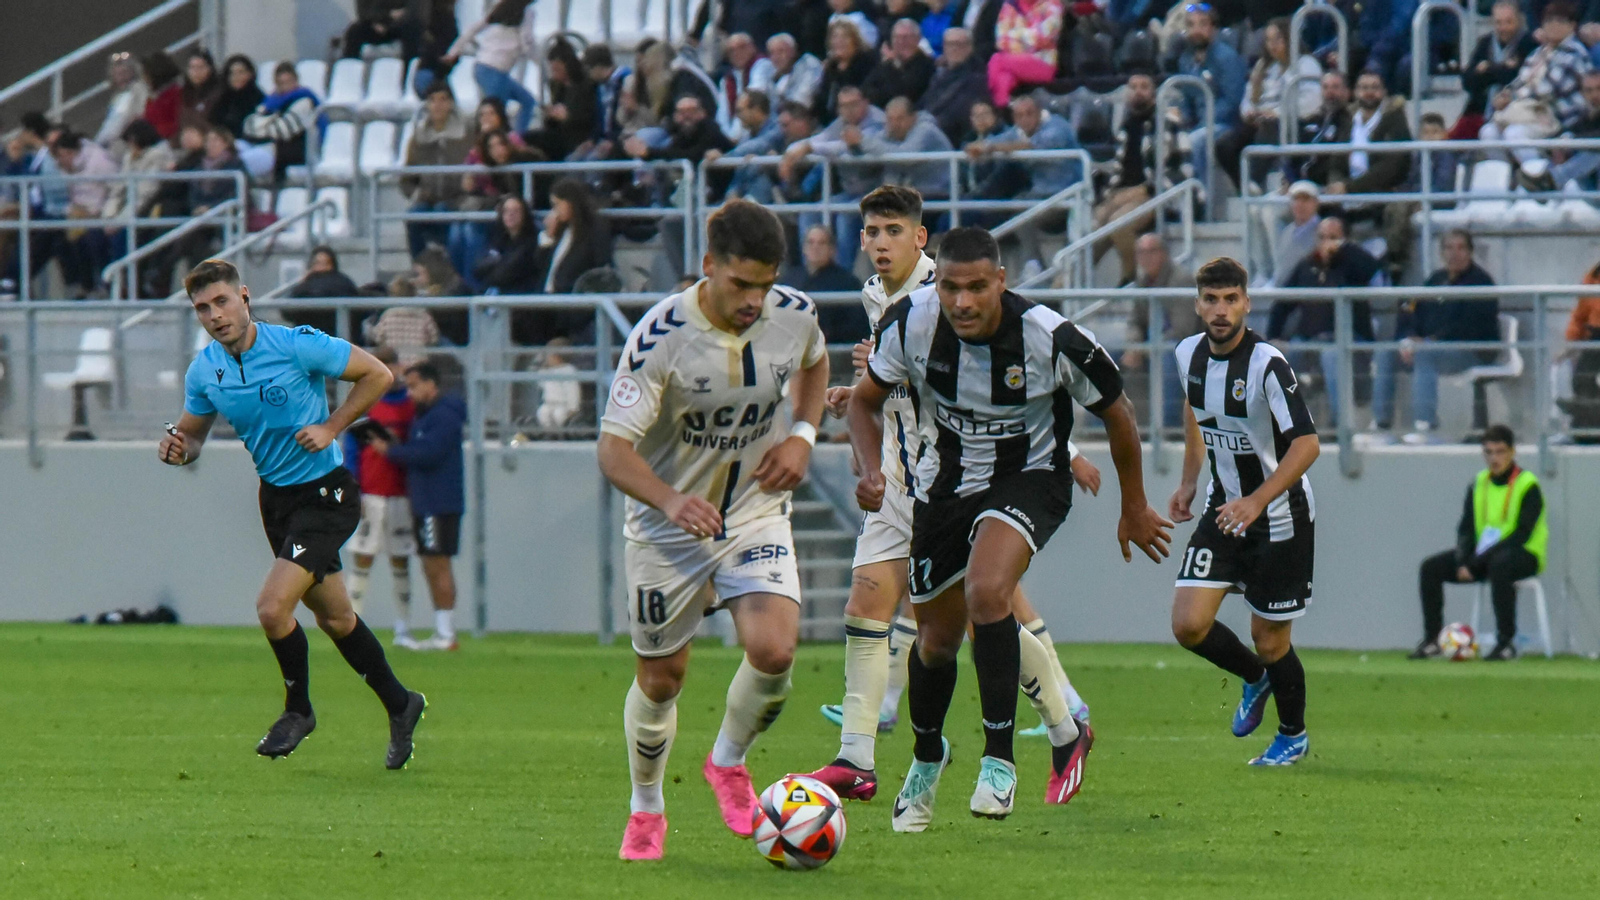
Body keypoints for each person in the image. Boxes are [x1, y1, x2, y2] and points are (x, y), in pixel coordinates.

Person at [854, 225, 1167, 828]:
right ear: (936, 284)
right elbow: (865, 401)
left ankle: (999, 761)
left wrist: (1134, 506)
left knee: (988, 591)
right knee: (935, 641)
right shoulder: (909, 323)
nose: (963, 301)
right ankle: (927, 757)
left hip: (1031, 478)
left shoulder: (1049, 337)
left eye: (977, 287)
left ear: (1001, 281)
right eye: (950, 287)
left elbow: (1119, 412)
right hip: (945, 486)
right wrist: (870, 469)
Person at [806, 189, 1097, 806]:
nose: (879, 243)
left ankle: (1064, 720)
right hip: (896, 474)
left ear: (921, 239)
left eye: (893, 231)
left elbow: (1007, 392)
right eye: (871, 232)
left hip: (955, 480)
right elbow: (894, 385)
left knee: (981, 611)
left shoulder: (951, 291)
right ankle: (856, 758)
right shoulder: (877, 297)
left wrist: (1069, 455)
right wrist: (856, 400)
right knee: (871, 604)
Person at [602, 200, 829, 861]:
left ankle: (727, 761)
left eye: (766, 284)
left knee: (775, 651)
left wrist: (803, 435)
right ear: (709, 266)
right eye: (741, 284)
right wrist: (670, 500)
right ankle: (646, 806)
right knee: (661, 681)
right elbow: (613, 451)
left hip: (753, 512)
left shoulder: (795, 314)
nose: (755, 300)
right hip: (666, 530)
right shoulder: (660, 337)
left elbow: (816, 362)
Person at [158, 259, 425, 767]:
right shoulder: (205, 370)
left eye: (222, 302)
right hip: (276, 501)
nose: (215, 316)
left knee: (272, 608)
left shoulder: (296, 344)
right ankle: (401, 703)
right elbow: (192, 436)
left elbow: (378, 374)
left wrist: (332, 427)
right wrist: (178, 449)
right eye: (203, 308)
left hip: (326, 495)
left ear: (244, 296)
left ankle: (298, 710)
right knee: (337, 618)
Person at [1168, 256, 1320, 767]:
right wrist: (1190, 480)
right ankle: (1256, 678)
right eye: (1211, 299)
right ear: (1198, 304)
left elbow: (1307, 444)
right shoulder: (1187, 354)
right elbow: (1196, 410)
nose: (1221, 309)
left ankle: (1292, 735)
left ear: (1246, 304)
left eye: (1230, 299)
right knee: (1188, 624)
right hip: (1225, 507)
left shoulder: (1267, 364)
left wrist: (1258, 500)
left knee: (1269, 638)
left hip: (1280, 514)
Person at [1409, 425, 1545, 661]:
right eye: (1488, 452)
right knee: (1430, 568)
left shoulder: (1528, 485)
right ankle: (1433, 640)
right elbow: (1466, 528)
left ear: (1512, 452)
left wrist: (1477, 562)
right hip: (1482, 556)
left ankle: (1506, 643)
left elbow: (1521, 534)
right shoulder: (1479, 483)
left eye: (1500, 452)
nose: (1494, 459)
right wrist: (1463, 561)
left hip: (1523, 554)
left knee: (1500, 565)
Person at [369, 360, 467, 651]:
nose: (409, 393)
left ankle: (446, 633)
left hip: (438, 502)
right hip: (427, 501)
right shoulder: (426, 416)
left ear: (430, 384)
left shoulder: (444, 415)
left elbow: (429, 453)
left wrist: (392, 451)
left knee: (438, 563)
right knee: (431, 563)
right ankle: (443, 631)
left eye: (413, 386)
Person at [1372, 231, 1500, 443]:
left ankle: (1425, 426)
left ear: (1470, 252)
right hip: (1432, 348)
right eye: (1448, 248)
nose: (1454, 253)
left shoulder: (1481, 282)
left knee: (1425, 355)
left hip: (1472, 350)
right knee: (1386, 353)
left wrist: (1428, 342)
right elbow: (1410, 309)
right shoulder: (1435, 280)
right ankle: (1380, 426)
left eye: (1461, 248)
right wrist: (1408, 338)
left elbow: (1468, 327)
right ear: (1441, 253)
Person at [341, 346, 417, 642]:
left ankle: (403, 628)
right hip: (370, 493)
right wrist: (354, 487)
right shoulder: (366, 401)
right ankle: (350, 627)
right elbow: (351, 449)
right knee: (363, 556)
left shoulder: (410, 405)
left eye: (390, 365)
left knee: (401, 558)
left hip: (401, 494)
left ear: (398, 367)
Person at [1273, 216, 1380, 426]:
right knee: (1279, 356)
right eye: (1322, 237)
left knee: (1332, 356)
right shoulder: (1307, 265)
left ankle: (1339, 426)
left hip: (1348, 341)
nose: (1327, 243)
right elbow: (1282, 303)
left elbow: (1372, 269)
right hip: (1309, 340)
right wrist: (1274, 336)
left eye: (1333, 237)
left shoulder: (1352, 264)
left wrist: (1345, 249)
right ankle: (1285, 425)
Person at [1093, 71, 1189, 285]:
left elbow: (1181, 168)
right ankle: (1062, 287)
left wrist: (1145, 190)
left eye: (1144, 87)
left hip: (1154, 194)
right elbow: (1117, 170)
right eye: (1133, 87)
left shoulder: (1168, 121)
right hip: (1121, 193)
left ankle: (1132, 279)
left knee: (1118, 224)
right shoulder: (1125, 126)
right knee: (1091, 229)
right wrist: (1109, 196)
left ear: (1154, 93)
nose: (1138, 92)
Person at [1215, 17, 1321, 191]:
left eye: (1278, 39)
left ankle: (1254, 180)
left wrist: (1277, 113)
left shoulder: (1307, 64)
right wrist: (1250, 112)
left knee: (1268, 125)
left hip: (1294, 124)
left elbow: (1312, 102)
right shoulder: (1263, 67)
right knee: (1224, 145)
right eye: (1268, 40)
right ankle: (1244, 188)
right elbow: (1248, 98)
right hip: (1260, 121)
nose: (1272, 45)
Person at [1121, 233, 1200, 429]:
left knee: (1167, 354)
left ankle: (1167, 428)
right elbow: (1135, 321)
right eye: (1141, 253)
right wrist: (1134, 346)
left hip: (1188, 346)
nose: (1146, 257)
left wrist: (1147, 349)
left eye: (1151, 252)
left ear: (1164, 254)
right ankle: (1105, 427)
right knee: (1106, 358)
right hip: (1151, 344)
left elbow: (1182, 329)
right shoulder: (1142, 282)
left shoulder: (1181, 279)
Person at [1176, 4, 1246, 198]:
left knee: (1197, 140)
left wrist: (1202, 123)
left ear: (1213, 28)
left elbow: (1232, 100)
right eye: (1191, 25)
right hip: (1198, 124)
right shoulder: (1185, 60)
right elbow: (1187, 97)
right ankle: (1179, 198)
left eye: (1202, 24)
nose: (1196, 30)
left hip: (1226, 124)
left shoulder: (1227, 57)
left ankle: (1205, 199)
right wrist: (1182, 117)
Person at [400, 85, 476, 260]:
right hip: (427, 200)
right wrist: (417, 193)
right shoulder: (418, 137)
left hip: (458, 199)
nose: (438, 105)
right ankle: (420, 265)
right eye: (432, 100)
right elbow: (407, 178)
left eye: (443, 99)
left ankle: (450, 264)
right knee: (414, 217)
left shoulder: (467, 133)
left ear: (451, 103)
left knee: (443, 212)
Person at [1325, 71, 1412, 214]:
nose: (1369, 92)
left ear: (1384, 92)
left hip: (1383, 194)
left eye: (1374, 87)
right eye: (1364, 88)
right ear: (1355, 92)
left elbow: (1391, 166)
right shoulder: (1347, 118)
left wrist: (1349, 187)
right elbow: (1336, 161)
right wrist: (1336, 185)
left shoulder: (1395, 118)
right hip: (1346, 193)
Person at [445, 0, 538, 132]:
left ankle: (512, 138)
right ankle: (514, 138)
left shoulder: (499, 9)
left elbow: (473, 29)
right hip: (497, 70)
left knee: (523, 101)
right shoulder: (527, 13)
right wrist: (537, 61)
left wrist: (454, 51)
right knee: (498, 114)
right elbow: (526, 42)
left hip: (482, 67)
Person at [1455, 1, 1537, 139]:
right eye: (1499, 23)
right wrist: (1501, 68)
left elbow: (1515, 77)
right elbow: (1468, 81)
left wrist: (1487, 69)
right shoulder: (1485, 42)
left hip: (1516, 109)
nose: (1503, 28)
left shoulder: (1529, 43)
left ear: (1519, 20)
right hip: (1481, 110)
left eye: (1508, 22)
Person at [241, 62, 323, 183]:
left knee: (241, 162)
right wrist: (270, 123)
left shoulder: (304, 101)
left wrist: (263, 125)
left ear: (296, 81)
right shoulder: (270, 102)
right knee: (236, 147)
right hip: (266, 145)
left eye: (288, 82)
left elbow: (283, 130)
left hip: (291, 150)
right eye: (280, 83)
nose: (285, 87)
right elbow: (248, 126)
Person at [787, 224, 866, 343]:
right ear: (803, 248)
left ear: (832, 250)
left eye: (822, 243)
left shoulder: (848, 283)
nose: (815, 247)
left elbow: (856, 327)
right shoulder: (790, 279)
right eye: (810, 242)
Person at [860, 98, 954, 196]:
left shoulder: (926, 130)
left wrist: (863, 141)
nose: (895, 124)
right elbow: (872, 144)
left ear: (913, 118)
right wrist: (856, 145)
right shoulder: (889, 133)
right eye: (890, 119)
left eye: (900, 119)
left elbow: (906, 157)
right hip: (907, 195)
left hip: (939, 193)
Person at [523, 39, 596, 161]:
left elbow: (588, 117)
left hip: (576, 137)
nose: (554, 73)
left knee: (537, 139)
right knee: (531, 138)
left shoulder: (585, 86)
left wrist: (568, 117)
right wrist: (551, 114)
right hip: (559, 134)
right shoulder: (557, 86)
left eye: (556, 69)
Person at [984, 0, 1066, 106]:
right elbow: (1001, 40)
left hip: (1043, 63)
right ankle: (1002, 107)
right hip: (1014, 63)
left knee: (997, 60)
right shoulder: (1010, 4)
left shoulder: (1053, 4)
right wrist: (1028, 41)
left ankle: (988, 102)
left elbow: (1044, 37)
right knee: (1004, 78)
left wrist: (1015, 35)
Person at [919, 27, 989, 143]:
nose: (954, 48)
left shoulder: (978, 78)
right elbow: (924, 103)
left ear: (970, 47)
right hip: (929, 128)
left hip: (953, 137)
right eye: (950, 44)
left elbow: (963, 112)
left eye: (960, 44)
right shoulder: (938, 75)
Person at [1287, 71, 1352, 186]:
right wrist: (1289, 180)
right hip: (1298, 184)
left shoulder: (1349, 123)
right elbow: (1293, 157)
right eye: (1325, 87)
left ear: (1346, 92)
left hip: (1324, 185)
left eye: (1335, 87)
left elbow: (1338, 162)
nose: (1330, 92)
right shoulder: (1310, 121)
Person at [213, 55, 270, 178]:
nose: (236, 77)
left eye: (241, 72)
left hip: (250, 146)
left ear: (250, 74)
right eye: (232, 73)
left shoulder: (259, 99)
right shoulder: (222, 100)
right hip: (223, 146)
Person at [863, 19, 938, 108]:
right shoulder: (887, 63)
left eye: (906, 37)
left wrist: (891, 65)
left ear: (918, 39)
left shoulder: (926, 65)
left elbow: (903, 94)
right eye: (897, 37)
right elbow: (866, 89)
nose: (901, 42)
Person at [815, 19, 878, 124]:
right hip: (832, 124)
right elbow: (822, 99)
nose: (839, 41)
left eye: (845, 37)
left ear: (855, 41)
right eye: (835, 37)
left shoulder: (867, 63)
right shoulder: (831, 68)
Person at [288, 245, 361, 333]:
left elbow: (288, 312)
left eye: (325, 263)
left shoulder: (306, 285)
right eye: (318, 263)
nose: (321, 267)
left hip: (311, 338)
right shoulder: (344, 281)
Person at [1267, 180, 1322, 287]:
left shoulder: (1323, 231)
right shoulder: (1287, 232)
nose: (1300, 204)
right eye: (1296, 199)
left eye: (1305, 199)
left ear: (1316, 203)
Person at [96, 52, 149, 152]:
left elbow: (141, 113)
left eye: (124, 72)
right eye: (118, 74)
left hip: (129, 140)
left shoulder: (139, 89)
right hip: (109, 144)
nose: (121, 77)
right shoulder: (116, 97)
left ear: (132, 71)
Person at [343, 0, 424, 61]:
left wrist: (388, 22)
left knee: (412, 28)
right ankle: (349, 67)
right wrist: (386, 16)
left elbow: (410, 10)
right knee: (354, 31)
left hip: (397, 25)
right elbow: (363, 13)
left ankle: (408, 69)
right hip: (373, 24)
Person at [765, 33, 825, 110]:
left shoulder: (809, 64)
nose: (776, 58)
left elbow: (801, 102)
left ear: (793, 51)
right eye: (772, 53)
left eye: (781, 51)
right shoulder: (775, 75)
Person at [179, 51, 225, 139]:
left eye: (200, 67)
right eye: (192, 67)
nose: (196, 72)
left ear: (210, 68)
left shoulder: (219, 92)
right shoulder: (184, 94)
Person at [142, 52, 185, 143]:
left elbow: (175, 125)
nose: (144, 79)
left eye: (146, 74)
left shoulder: (176, 94)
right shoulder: (154, 98)